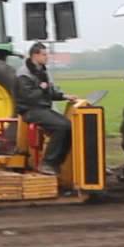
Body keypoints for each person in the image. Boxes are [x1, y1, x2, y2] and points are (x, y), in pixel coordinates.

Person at [15, 42, 79, 175]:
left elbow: (48, 93)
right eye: (44, 55)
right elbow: (28, 97)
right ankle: (47, 163)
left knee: (70, 127)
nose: (47, 57)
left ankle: (56, 164)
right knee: (61, 127)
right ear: (35, 55)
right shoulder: (24, 74)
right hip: (31, 110)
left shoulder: (41, 71)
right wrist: (41, 88)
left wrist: (65, 96)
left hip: (41, 109)